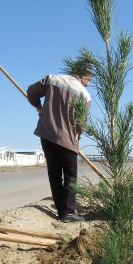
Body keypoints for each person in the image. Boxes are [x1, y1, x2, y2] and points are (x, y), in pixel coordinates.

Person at [26, 65, 92, 222]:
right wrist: (78, 137)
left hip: (46, 134)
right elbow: (80, 123)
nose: (88, 83)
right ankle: (68, 212)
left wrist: (39, 107)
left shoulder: (52, 79)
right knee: (70, 174)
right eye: (89, 79)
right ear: (82, 75)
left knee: (54, 172)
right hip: (67, 139)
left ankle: (61, 210)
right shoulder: (85, 95)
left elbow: (31, 91)